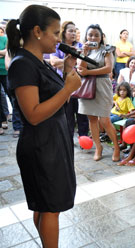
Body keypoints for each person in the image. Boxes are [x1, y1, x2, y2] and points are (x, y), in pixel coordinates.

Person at [6, 5, 82, 247]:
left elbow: (54, 101)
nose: (59, 39)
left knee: (46, 205)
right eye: (56, 33)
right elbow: (34, 114)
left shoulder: (39, 61)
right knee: (49, 207)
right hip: (41, 146)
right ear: (37, 31)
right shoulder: (22, 64)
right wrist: (68, 89)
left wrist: (67, 74)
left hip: (53, 140)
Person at [77, 24, 120, 162]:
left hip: (102, 86)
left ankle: (116, 147)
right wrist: (83, 53)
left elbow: (108, 69)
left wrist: (89, 72)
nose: (93, 37)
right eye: (90, 35)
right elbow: (80, 68)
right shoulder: (84, 50)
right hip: (87, 87)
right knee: (92, 120)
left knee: (105, 120)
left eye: (96, 35)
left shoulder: (107, 50)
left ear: (101, 37)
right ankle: (98, 147)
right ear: (86, 36)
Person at [49, 21, 89, 139]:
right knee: (68, 114)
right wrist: (70, 61)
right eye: (70, 31)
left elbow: (83, 64)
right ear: (64, 32)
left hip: (79, 84)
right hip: (63, 83)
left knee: (81, 113)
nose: (73, 33)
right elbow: (53, 62)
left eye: (74, 31)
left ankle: (83, 138)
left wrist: (69, 62)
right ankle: (68, 138)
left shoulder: (80, 46)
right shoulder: (58, 46)